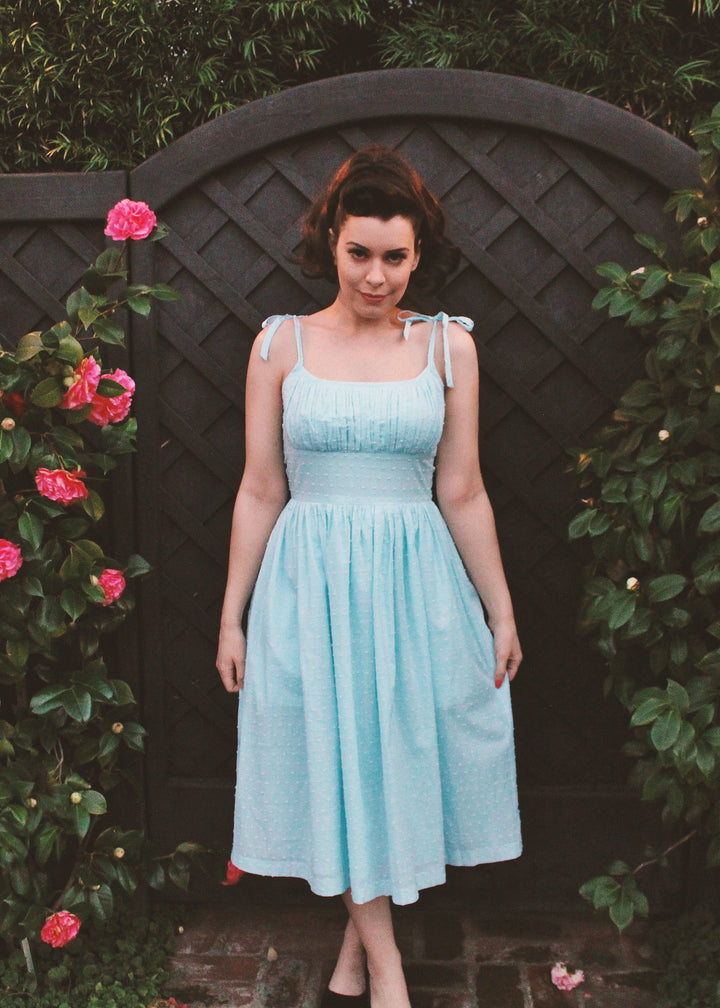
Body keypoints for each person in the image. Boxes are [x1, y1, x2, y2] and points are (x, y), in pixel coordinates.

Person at [216, 145, 522, 1008]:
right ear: (331, 243)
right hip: (311, 587)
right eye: (360, 253)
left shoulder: (449, 347)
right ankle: (388, 971)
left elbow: (462, 490)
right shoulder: (280, 345)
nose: (376, 276)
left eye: (395, 256)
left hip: (415, 585)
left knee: (394, 762)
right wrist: (232, 616)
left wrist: (500, 611)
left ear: (419, 254)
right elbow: (260, 488)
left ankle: (357, 954)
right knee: (336, 759)